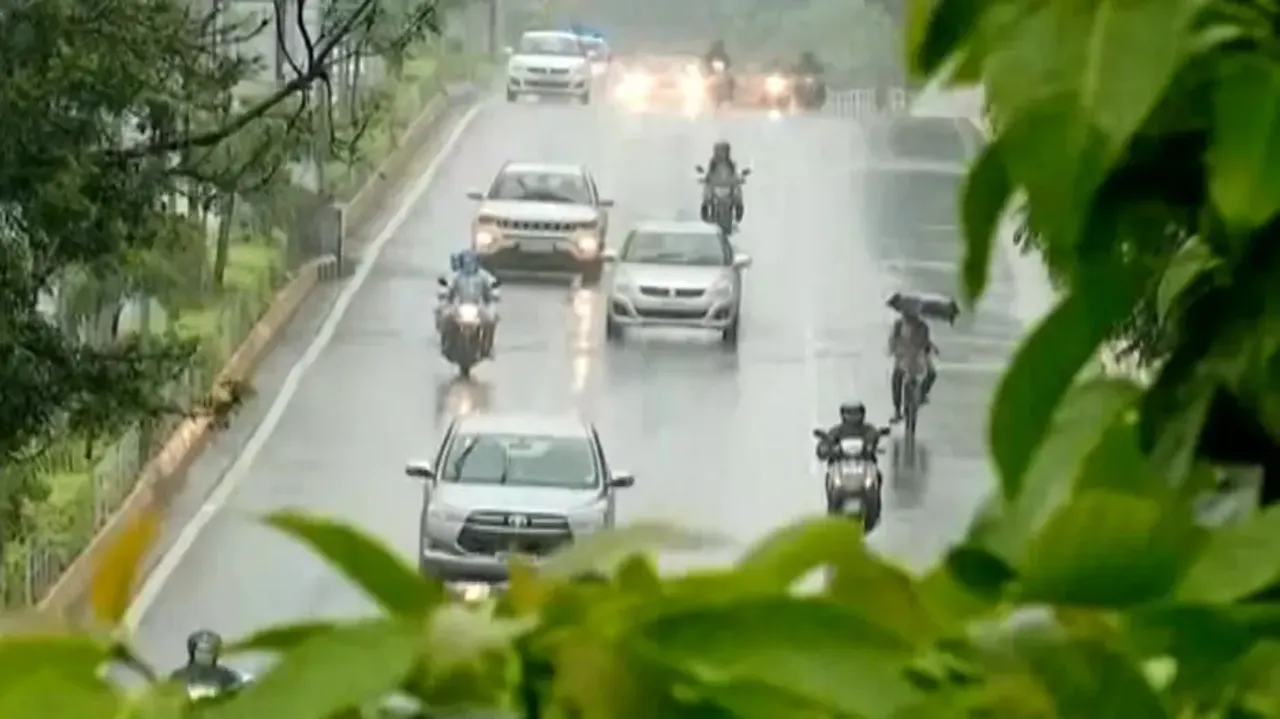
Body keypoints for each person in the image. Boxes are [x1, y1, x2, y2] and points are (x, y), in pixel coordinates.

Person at [440, 250, 499, 358]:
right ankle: (445, 343)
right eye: (466, 263)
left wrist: (494, 294)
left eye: (471, 262)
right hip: (458, 306)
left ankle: (488, 347)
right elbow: (447, 286)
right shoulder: (455, 275)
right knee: (444, 318)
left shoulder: (484, 276)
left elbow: (493, 285)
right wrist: (444, 293)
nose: (469, 266)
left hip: (478, 307)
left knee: (491, 321)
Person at [888, 305, 939, 421]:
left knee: (932, 373)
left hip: (917, 356)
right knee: (897, 377)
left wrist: (931, 348)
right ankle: (897, 409)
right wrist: (893, 349)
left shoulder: (923, 326)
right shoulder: (899, 325)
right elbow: (893, 340)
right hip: (903, 356)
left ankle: (922, 394)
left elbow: (925, 342)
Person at [169, 630, 244, 693]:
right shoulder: (179, 677)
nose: (205, 656)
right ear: (192, 652)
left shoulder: (227, 677)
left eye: (210, 652)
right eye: (201, 651)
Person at [701, 140, 744, 222]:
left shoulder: (731, 164)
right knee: (707, 194)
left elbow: (735, 175)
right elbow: (708, 175)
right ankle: (705, 211)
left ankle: (739, 211)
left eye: (724, 151)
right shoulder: (713, 164)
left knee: (738, 193)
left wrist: (739, 179)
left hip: (728, 187)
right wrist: (705, 179)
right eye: (720, 151)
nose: (722, 153)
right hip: (716, 188)